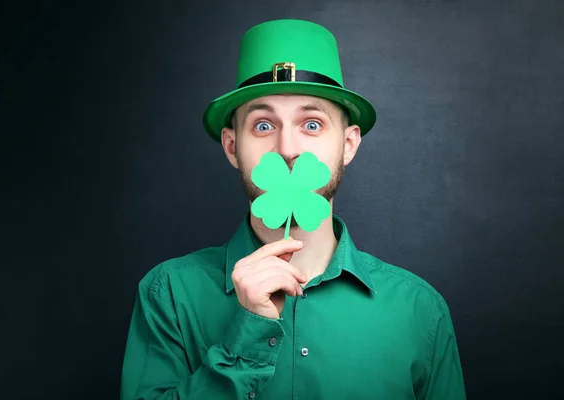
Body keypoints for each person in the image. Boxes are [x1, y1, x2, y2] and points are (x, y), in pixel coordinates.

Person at [120, 19, 466, 400]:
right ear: (232, 147)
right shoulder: (170, 293)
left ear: (348, 144)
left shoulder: (419, 310)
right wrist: (247, 336)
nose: (287, 148)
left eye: (312, 124)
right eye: (264, 125)